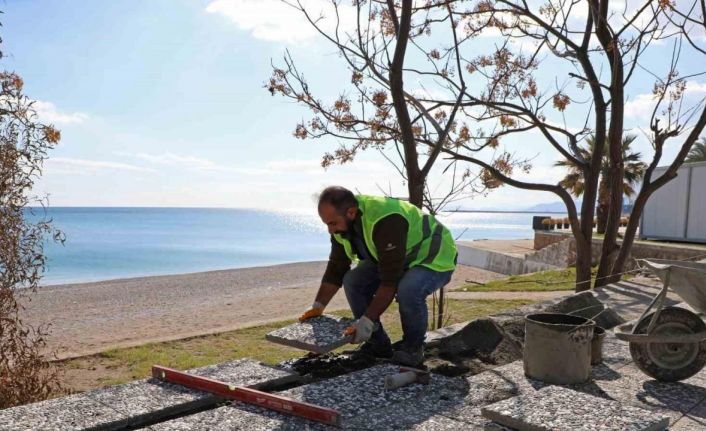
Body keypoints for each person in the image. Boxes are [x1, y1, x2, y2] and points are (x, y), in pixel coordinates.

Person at [299, 186, 457, 367]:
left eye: (332, 223)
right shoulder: (342, 226)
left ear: (351, 212)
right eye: (326, 224)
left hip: (432, 255)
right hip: (397, 256)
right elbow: (337, 267)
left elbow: (389, 282)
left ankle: (413, 349)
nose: (329, 230)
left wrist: (366, 320)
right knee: (352, 281)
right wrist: (318, 306)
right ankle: (378, 344)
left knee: (409, 290)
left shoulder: (386, 220)